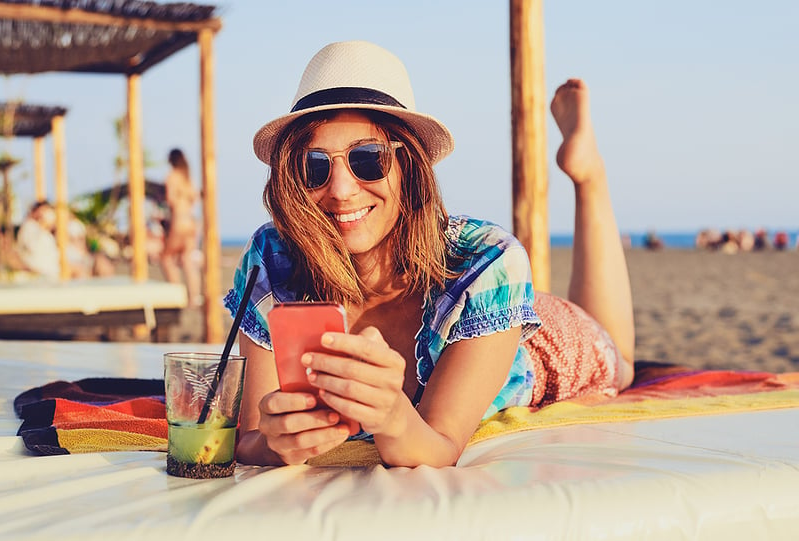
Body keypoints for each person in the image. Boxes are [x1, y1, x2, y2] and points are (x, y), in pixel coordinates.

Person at [224, 41, 635, 468]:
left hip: (534, 342)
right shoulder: (271, 260)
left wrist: (393, 415)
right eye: (314, 165)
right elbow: (252, 437)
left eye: (369, 158)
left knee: (621, 359)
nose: (342, 190)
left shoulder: (489, 260)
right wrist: (275, 443)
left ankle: (588, 174)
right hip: (479, 318)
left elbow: (439, 448)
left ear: (410, 167)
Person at [160, 148, 202, 307]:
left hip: (179, 220)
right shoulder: (189, 178)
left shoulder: (172, 176)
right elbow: (195, 198)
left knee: (166, 258)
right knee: (187, 259)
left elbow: (171, 200)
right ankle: (194, 297)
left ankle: (176, 291)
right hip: (191, 221)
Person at [16, 200, 60, 280]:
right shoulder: (29, 227)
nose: (44, 214)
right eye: (43, 211)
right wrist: (44, 225)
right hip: (38, 275)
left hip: (49, 274)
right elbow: (33, 247)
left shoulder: (45, 230)